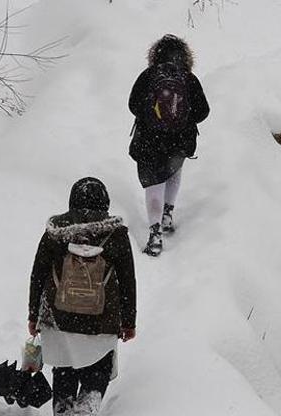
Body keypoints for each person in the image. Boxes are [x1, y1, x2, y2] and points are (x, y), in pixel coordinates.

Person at [27, 177, 137, 416]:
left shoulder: (56, 233)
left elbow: (38, 274)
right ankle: (87, 406)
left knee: (64, 366)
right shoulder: (116, 234)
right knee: (98, 367)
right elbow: (128, 280)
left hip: (59, 317)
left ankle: (63, 408)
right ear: (105, 202)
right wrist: (129, 322)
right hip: (102, 319)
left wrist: (33, 315)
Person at [128, 34, 210, 257]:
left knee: (153, 184)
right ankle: (167, 213)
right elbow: (203, 111)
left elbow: (133, 105)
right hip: (179, 141)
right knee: (173, 171)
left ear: (155, 55)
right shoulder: (188, 78)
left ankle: (155, 234)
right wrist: (182, 119)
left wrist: (152, 117)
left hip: (148, 141)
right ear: (185, 56)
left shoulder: (148, 76)